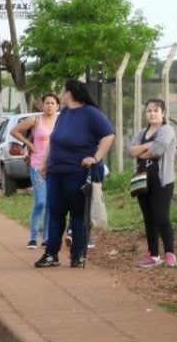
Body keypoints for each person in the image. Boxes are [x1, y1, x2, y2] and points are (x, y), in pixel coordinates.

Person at [35, 79, 114, 268]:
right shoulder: (65, 114)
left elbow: (108, 134)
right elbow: (54, 140)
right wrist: (44, 163)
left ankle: (77, 254)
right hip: (56, 170)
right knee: (55, 211)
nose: (61, 94)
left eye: (63, 91)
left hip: (76, 171)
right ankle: (51, 254)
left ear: (70, 93)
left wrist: (95, 157)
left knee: (77, 213)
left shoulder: (90, 113)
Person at [128, 98, 177, 268]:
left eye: (156, 110)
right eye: (149, 110)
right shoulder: (141, 133)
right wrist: (147, 147)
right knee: (148, 218)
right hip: (142, 180)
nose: (152, 113)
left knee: (161, 217)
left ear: (163, 113)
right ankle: (153, 254)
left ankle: (170, 253)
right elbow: (130, 151)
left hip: (162, 181)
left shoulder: (167, 130)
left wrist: (142, 150)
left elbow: (157, 150)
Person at [10, 92, 60, 248]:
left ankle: (45, 237)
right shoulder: (35, 119)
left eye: (52, 103)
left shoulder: (61, 121)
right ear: (42, 105)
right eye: (47, 103)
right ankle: (32, 237)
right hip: (37, 165)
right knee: (40, 202)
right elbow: (15, 131)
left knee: (51, 203)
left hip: (55, 167)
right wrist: (29, 144)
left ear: (57, 106)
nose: (49, 106)